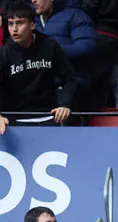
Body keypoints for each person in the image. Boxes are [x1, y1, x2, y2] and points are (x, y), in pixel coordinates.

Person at [0, 3, 74, 131]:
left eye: (20, 23)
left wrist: (64, 105)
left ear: (32, 25)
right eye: (11, 24)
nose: (14, 29)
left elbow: (69, 77)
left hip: (49, 116)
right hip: (15, 119)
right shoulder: (4, 53)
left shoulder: (50, 45)